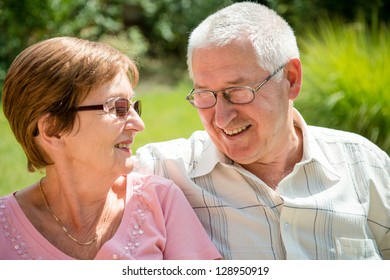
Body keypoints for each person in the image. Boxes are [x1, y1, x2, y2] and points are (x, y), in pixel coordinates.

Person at [132, 2, 390, 260]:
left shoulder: (366, 166)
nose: (221, 118)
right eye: (204, 94)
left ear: (291, 78)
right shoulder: (161, 171)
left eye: (237, 91)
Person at [0, 36, 221, 260]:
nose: (139, 125)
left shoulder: (160, 201)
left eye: (134, 107)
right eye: (118, 108)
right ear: (53, 129)